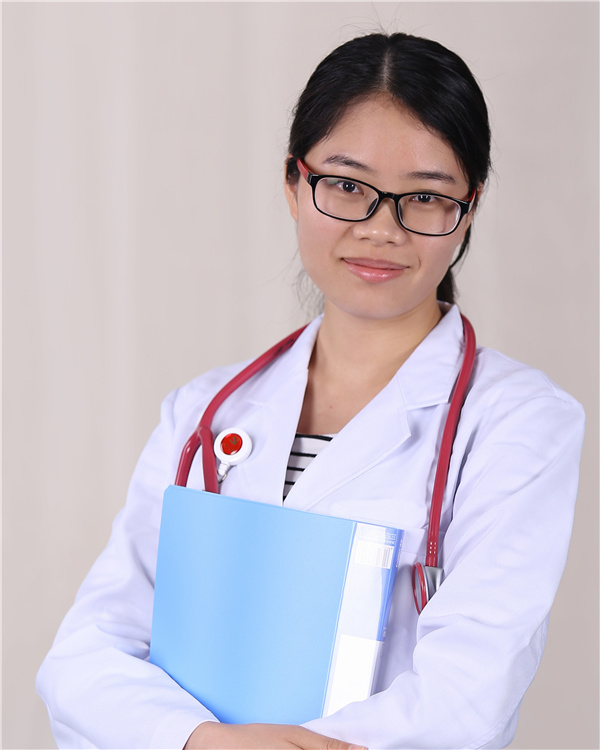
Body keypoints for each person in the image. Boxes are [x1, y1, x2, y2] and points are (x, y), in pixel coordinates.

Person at [36, 32, 585, 749]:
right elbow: (83, 659)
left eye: (425, 196)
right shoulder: (202, 415)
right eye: (348, 186)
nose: (381, 229)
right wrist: (201, 740)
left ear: (470, 206)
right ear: (295, 184)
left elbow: (467, 694)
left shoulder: (518, 422)